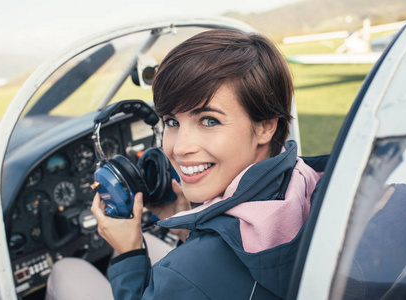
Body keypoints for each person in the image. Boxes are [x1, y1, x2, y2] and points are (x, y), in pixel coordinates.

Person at [46, 29, 323, 299]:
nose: (179, 148)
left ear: (265, 127)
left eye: (209, 120)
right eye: (172, 122)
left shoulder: (185, 271)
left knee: (66, 271)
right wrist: (190, 230)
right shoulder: (311, 179)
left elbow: (196, 273)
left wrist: (130, 252)